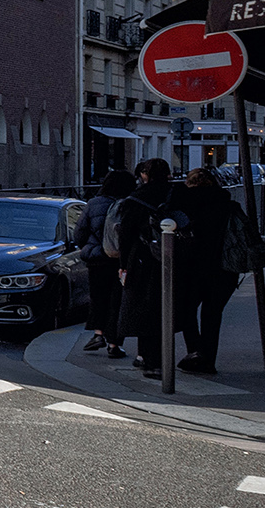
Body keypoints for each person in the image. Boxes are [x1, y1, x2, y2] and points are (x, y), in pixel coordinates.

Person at [111, 157, 185, 376]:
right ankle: (159, 358)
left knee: (144, 308)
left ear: (145, 175)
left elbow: (125, 234)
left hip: (143, 258)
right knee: (166, 309)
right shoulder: (177, 194)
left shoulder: (135, 199)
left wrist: (123, 265)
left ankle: (149, 358)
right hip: (174, 257)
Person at [175, 166, 243, 376]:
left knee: (186, 311)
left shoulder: (184, 204)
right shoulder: (229, 205)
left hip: (192, 268)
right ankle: (208, 359)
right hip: (224, 268)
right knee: (212, 315)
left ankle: (195, 352)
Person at [79, 165, 134, 355]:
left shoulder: (93, 203)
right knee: (117, 301)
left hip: (96, 260)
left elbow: (80, 233)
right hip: (121, 260)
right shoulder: (129, 203)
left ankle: (97, 333)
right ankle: (114, 344)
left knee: (98, 297)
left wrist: (90, 247)